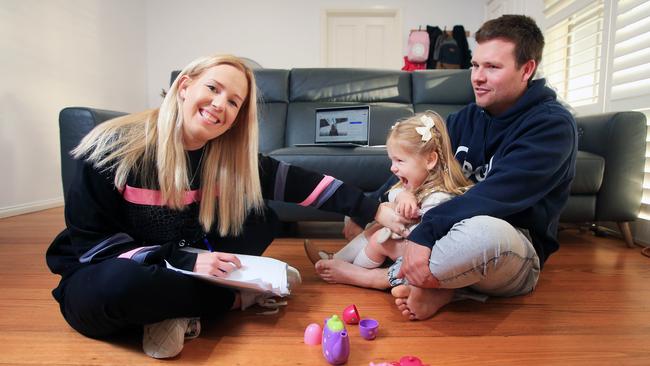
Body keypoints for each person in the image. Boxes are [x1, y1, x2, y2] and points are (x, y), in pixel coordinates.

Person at [46, 54, 406, 358]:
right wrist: (184, 261)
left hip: (186, 260)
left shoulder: (227, 158)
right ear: (185, 86)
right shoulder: (113, 148)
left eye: (234, 102)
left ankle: (177, 310)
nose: (220, 104)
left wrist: (371, 208)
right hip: (119, 266)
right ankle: (237, 297)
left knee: (263, 218)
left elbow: (298, 182)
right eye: (213, 88)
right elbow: (94, 247)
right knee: (119, 287)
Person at [312, 14, 578, 320]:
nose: (477, 77)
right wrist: (371, 207)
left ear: (526, 69)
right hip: (446, 226)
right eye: (475, 65)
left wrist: (426, 232)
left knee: (481, 234)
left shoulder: (551, 126)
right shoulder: (466, 118)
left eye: (492, 67)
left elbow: (494, 198)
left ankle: (387, 279)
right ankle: (442, 287)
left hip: (510, 242)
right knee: (386, 215)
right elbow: (418, 166)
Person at [305, 112, 472, 281]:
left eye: (399, 161)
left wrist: (399, 221)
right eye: (392, 161)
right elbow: (392, 192)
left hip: (422, 252)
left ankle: (350, 272)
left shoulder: (438, 198)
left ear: (430, 160)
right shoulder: (414, 183)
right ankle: (336, 259)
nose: (393, 168)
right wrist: (403, 196)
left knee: (379, 239)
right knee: (375, 229)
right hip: (406, 240)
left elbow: (425, 237)